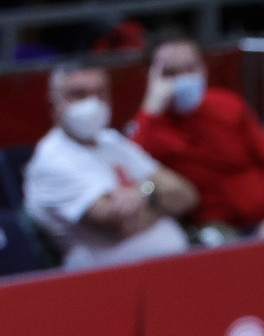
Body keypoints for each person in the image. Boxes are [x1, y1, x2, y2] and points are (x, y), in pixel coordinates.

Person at [24, 61, 197, 269]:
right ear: (54, 104)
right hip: (104, 278)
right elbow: (124, 225)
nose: (92, 103)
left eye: (100, 93)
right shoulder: (52, 160)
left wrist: (144, 192)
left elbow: (186, 194)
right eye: (78, 94)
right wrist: (162, 203)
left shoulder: (111, 140)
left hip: (168, 267)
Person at [130, 37, 264, 238]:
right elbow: (127, 170)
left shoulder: (228, 104)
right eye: (170, 72)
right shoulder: (149, 126)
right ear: (151, 77)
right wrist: (150, 109)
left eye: (190, 68)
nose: (183, 78)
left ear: (203, 69)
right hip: (212, 230)